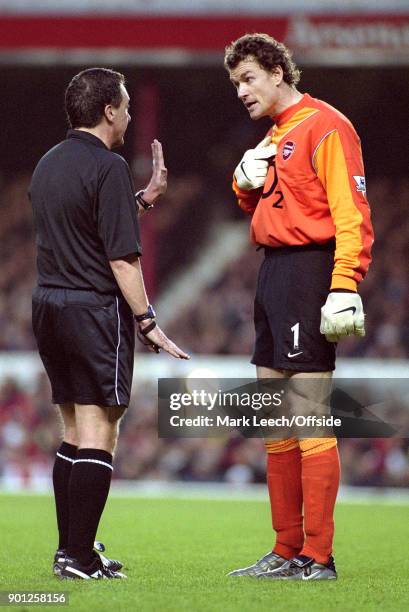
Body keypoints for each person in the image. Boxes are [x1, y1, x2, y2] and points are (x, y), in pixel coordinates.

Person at [29, 68, 189, 580]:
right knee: (101, 428)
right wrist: (148, 322)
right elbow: (121, 258)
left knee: (73, 428)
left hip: (49, 306)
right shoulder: (109, 165)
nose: (128, 114)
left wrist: (143, 200)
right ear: (109, 112)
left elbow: (84, 228)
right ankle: (77, 557)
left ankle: (71, 549)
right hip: (95, 310)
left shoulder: (47, 164)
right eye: (125, 106)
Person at [224, 34, 373, 580]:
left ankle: (320, 555)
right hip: (273, 273)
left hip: (311, 270)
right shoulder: (274, 135)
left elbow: (352, 212)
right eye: (236, 83)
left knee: (308, 413)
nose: (241, 91)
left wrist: (343, 284)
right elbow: (269, 201)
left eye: (249, 78)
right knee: (274, 418)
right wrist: (243, 185)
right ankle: (286, 549)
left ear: (278, 71)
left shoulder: (326, 125)